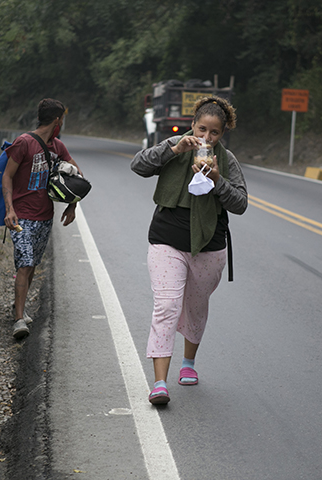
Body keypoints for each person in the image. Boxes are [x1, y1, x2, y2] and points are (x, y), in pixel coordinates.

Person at [130, 96, 247, 405]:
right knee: (167, 305)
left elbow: (241, 204)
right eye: (201, 129)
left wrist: (218, 180)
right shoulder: (176, 144)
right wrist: (173, 150)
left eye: (214, 133)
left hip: (209, 245)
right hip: (166, 239)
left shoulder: (227, 160)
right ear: (192, 124)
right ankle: (158, 383)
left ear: (222, 134)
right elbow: (137, 165)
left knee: (195, 306)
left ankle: (189, 363)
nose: (206, 138)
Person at [2, 98, 82, 339]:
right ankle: (18, 320)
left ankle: (21, 308)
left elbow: (78, 176)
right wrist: (9, 209)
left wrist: (72, 205)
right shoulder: (24, 143)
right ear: (57, 120)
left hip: (44, 217)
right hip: (22, 216)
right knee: (24, 263)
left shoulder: (57, 146)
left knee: (32, 262)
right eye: (63, 121)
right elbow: (7, 177)